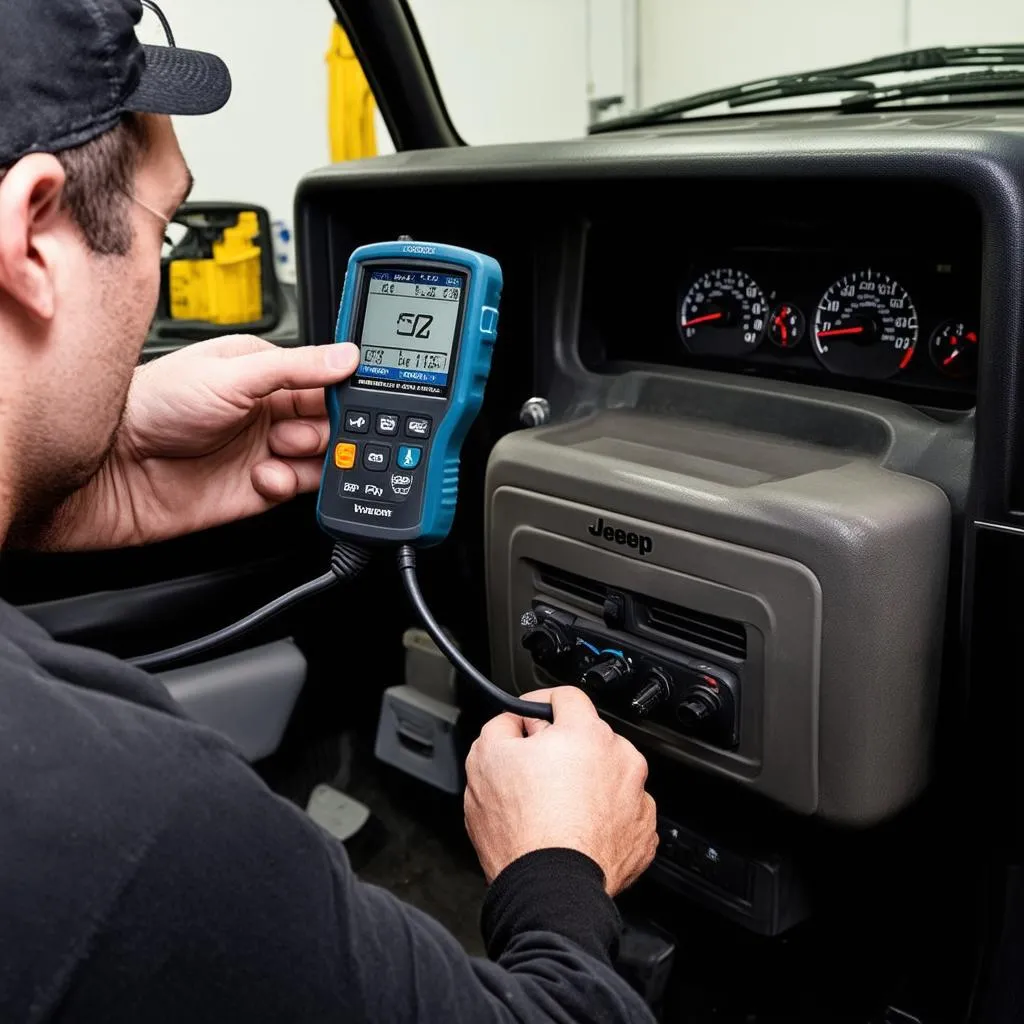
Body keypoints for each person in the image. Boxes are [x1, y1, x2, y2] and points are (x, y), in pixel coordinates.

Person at [0, 1, 660, 1021]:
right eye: (162, 230)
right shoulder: (132, 818)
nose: (155, 273)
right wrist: (560, 869)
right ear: (33, 235)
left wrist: (88, 473)